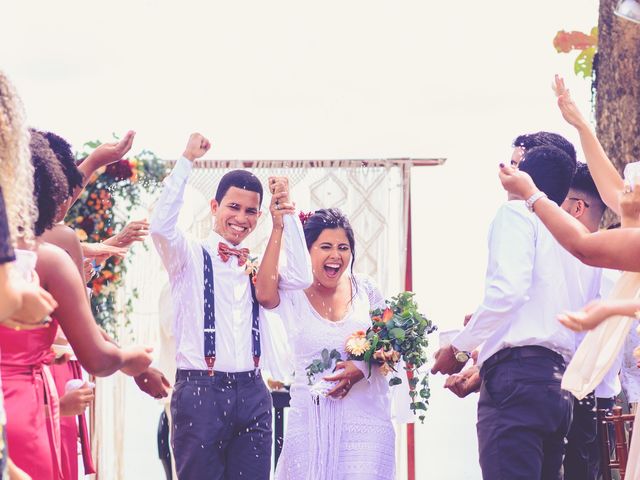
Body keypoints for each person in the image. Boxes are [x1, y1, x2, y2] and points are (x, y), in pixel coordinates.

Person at [150, 133, 312, 479]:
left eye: (251, 211)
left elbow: (301, 276)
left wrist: (286, 215)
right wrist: (186, 161)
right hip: (199, 392)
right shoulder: (188, 257)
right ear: (214, 207)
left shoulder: (259, 264)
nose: (242, 218)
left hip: (253, 392)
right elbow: (161, 228)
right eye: (233, 207)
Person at [0, 130, 153, 479]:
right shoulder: (52, 257)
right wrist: (133, 360)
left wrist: (97, 159)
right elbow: (97, 356)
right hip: (26, 408)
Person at [433, 144, 579, 479]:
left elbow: (509, 293)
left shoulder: (515, 214)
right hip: (559, 385)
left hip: (517, 382)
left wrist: (458, 349)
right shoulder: (567, 233)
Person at [256, 206, 396, 480]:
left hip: (367, 426)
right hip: (310, 426)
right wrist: (278, 227)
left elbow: (392, 346)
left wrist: (363, 368)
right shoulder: (293, 291)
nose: (336, 255)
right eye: (326, 247)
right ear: (307, 251)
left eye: (343, 247)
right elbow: (263, 293)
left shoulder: (366, 290)